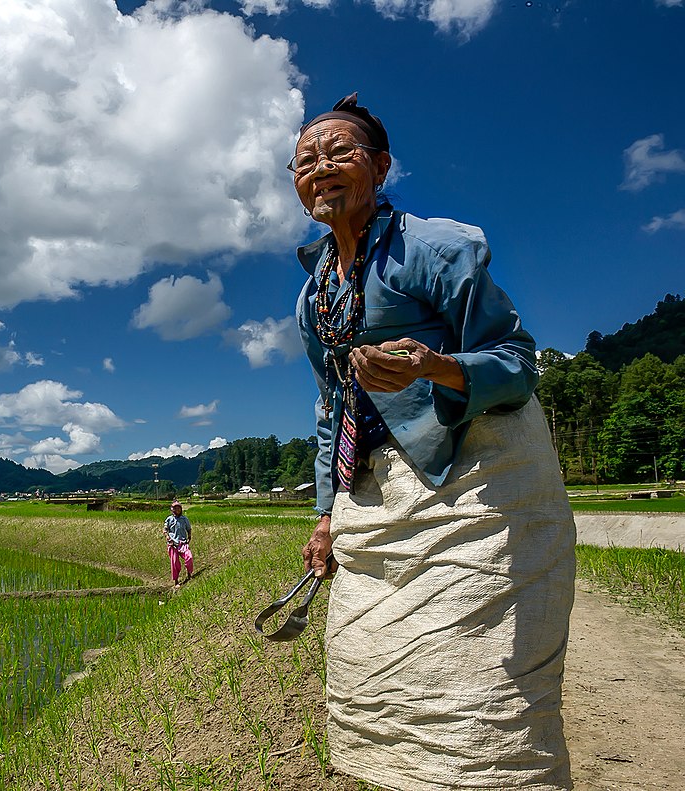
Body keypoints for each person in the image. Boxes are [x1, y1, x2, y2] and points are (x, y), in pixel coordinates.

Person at [291, 93, 576, 791]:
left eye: (339, 152)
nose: (321, 166)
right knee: (375, 671)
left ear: (380, 167)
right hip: (379, 495)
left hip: (475, 483)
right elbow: (333, 409)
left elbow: (516, 359)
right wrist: (327, 516)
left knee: (480, 686)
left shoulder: (437, 248)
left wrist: (436, 366)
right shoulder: (312, 297)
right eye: (305, 159)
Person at [163, 500, 193, 588]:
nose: (177, 510)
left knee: (189, 557)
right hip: (173, 543)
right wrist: (167, 537)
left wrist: (189, 536)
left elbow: (189, 529)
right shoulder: (169, 519)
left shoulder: (184, 519)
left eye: (179, 508)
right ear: (172, 510)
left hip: (183, 542)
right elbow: (165, 530)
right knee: (175, 562)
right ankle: (176, 581)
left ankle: (189, 573)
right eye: (175, 508)